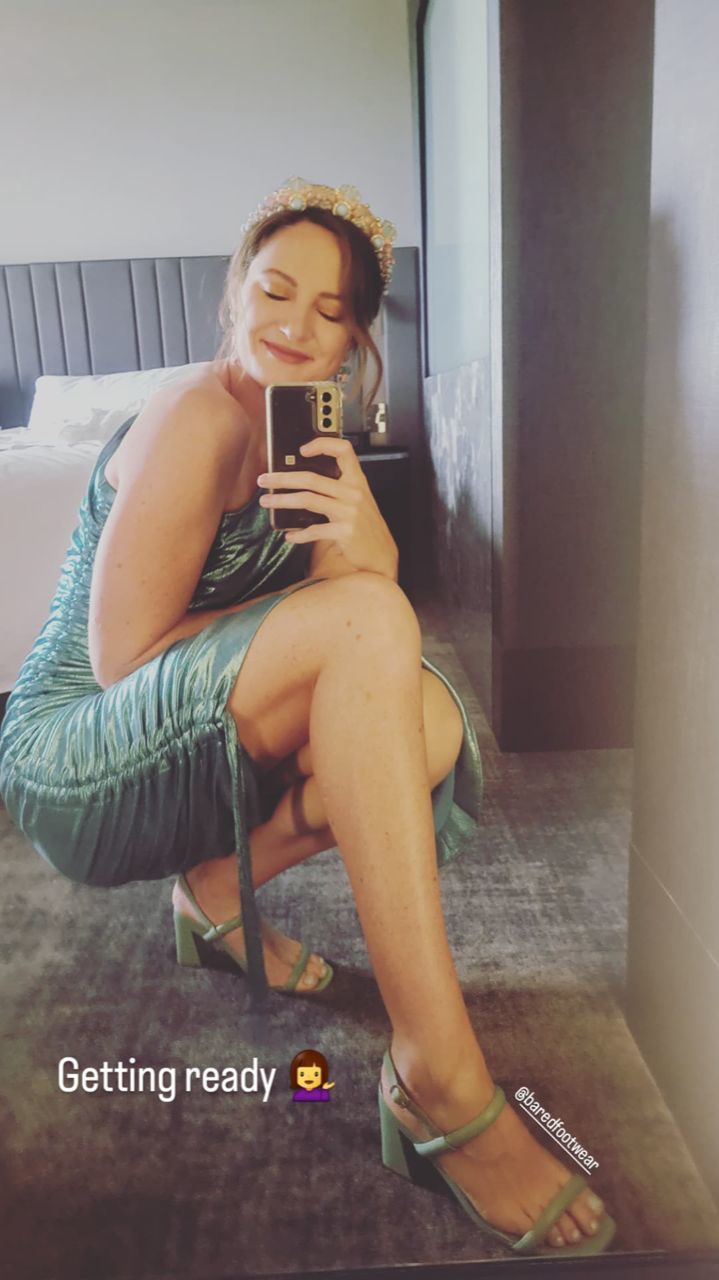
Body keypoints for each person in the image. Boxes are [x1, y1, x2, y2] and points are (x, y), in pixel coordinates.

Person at [0, 177, 615, 1256]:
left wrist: (355, 528)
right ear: (235, 294)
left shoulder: (307, 442)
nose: (295, 326)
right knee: (368, 624)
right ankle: (434, 1076)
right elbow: (120, 660)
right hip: (73, 751)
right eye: (277, 291)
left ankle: (211, 892)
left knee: (424, 725)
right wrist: (334, 604)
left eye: (330, 312)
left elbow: (356, 656)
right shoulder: (196, 416)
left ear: (353, 344)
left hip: (182, 729)